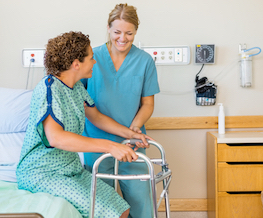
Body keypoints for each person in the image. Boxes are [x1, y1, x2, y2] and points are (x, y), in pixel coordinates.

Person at [16, 31, 152, 218]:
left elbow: (96, 117)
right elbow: (56, 138)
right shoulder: (49, 89)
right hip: (44, 173)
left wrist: (131, 134)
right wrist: (110, 146)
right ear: (76, 64)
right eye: (91, 58)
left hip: (71, 170)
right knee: (108, 213)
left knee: (122, 209)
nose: (95, 62)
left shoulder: (77, 87)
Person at [82, 3, 160, 218]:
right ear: (108, 28)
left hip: (132, 143)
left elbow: (148, 103)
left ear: (136, 32)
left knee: (141, 202)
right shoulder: (91, 59)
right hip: (96, 142)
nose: (122, 38)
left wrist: (134, 129)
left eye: (129, 33)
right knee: (102, 206)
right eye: (117, 32)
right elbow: (86, 107)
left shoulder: (144, 61)